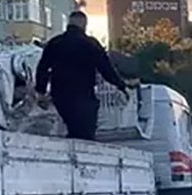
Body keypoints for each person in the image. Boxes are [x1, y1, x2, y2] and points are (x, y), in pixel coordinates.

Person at [34, 10, 128, 141]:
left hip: (60, 96)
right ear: (84, 24)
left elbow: (42, 68)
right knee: (85, 134)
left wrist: (41, 91)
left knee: (73, 127)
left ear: (69, 23)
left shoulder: (55, 43)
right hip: (83, 96)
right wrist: (121, 86)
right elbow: (106, 69)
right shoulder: (90, 44)